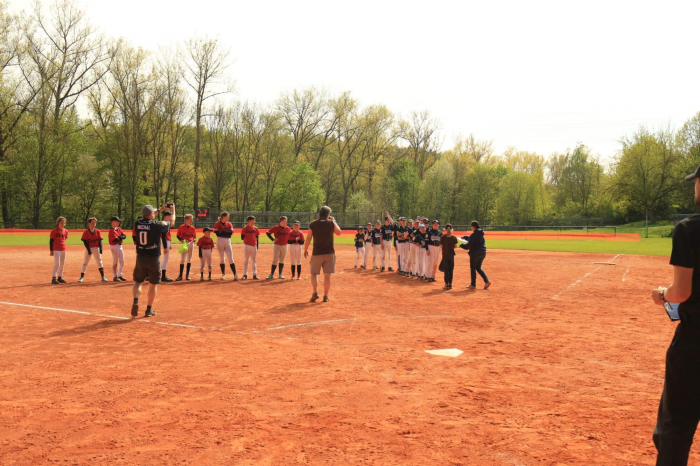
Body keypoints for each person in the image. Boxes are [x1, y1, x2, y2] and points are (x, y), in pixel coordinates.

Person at [650, 166, 700, 466]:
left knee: (675, 429)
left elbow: (680, 292)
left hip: (695, 344)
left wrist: (662, 294)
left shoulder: (689, 230)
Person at [131, 204, 175, 317]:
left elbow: (147, 217)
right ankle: (149, 309)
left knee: (138, 282)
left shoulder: (138, 223)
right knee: (153, 284)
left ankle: (135, 301)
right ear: (151, 214)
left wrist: (160, 210)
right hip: (153, 258)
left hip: (140, 257)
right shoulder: (156, 225)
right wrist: (173, 210)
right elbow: (171, 223)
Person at [304, 205, 341, 303]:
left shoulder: (313, 224)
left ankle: (315, 292)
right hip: (329, 253)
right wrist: (334, 221)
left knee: (314, 273)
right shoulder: (331, 223)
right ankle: (325, 296)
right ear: (328, 215)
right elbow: (339, 232)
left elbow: (308, 238)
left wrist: (305, 249)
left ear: (320, 214)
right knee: (327, 276)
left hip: (317, 253)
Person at [461, 221, 491, 290]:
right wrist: (466, 237)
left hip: (475, 253)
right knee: (478, 268)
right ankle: (486, 281)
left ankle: (473, 284)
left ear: (473, 227)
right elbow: (474, 239)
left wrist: (462, 245)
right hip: (483, 252)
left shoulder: (473, 235)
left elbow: (469, 245)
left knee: (473, 268)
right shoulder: (481, 234)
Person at [79, 217, 107, 283]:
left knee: (99, 262)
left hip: (96, 248)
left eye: (95, 223)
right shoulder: (86, 232)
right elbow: (85, 242)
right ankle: (81, 277)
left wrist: (101, 248)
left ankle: (103, 276)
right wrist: (89, 250)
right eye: (92, 223)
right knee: (85, 262)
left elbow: (100, 240)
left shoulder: (98, 231)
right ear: (89, 223)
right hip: (89, 248)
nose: (94, 224)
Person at [214, 211, 237, 280]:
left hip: (227, 241)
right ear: (223, 217)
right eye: (227, 217)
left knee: (231, 258)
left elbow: (231, 233)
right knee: (222, 258)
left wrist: (222, 232)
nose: (228, 218)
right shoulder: (217, 223)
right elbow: (217, 234)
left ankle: (235, 274)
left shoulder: (229, 224)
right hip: (220, 241)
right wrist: (226, 233)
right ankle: (223, 274)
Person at [176, 214, 197, 281]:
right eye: (190, 219)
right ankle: (180, 276)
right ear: (186, 219)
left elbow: (194, 236)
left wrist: (194, 239)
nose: (192, 220)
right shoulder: (181, 227)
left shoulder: (193, 228)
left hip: (191, 244)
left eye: (192, 219)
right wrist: (181, 240)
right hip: (184, 244)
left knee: (189, 259)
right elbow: (178, 235)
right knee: (182, 260)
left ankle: (187, 275)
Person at [50, 216, 69, 284]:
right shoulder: (54, 231)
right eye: (61, 223)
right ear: (58, 223)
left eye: (64, 223)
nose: (63, 224)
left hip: (63, 249)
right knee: (57, 263)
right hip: (56, 249)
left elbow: (64, 239)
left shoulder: (65, 231)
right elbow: (51, 241)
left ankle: (60, 277)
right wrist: (51, 250)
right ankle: (53, 278)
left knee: (62, 264)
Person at [240, 215, 260, 280]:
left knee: (254, 260)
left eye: (254, 220)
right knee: (246, 260)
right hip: (247, 245)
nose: (254, 221)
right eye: (253, 220)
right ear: (249, 220)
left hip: (254, 246)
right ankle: (245, 274)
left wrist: (257, 246)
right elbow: (242, 237)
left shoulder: (255, 228)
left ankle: (254, 274)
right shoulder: (245, 228)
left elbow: (257, 238)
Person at [108, 216, 127, 282]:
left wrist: (120, 237)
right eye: (117, 221)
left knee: (122, 261)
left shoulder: (119, 228)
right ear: (113, 222)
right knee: (115, 261)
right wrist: (120, 237)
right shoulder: (111, 231)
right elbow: (115, 240)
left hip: (120, 246)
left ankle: (119, 275)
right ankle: (115, 276)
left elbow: (124, 236)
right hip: (114, 246)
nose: (119, 222)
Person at [440, 224, 459, 289]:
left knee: (446, 270)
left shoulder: (443, 237)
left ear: (445, 229)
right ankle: (450, 284)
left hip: (445, 255)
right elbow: (455, 246)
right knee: (451, 270)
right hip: (451, 255)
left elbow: (441, 246)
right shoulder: (454, 237)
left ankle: (446, 284)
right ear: (451, 229)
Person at [160, 210, 174, 282]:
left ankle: (156, 274)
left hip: (164, 241)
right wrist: (165, 246)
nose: (171, 217)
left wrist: (169, 244)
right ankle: (163, 276)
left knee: (160, 258)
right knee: (165, 259)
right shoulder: (165, 223)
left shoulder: (162, 222)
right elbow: (164, 236)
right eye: (170, 216)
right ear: (167, 216)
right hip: (165, 241)